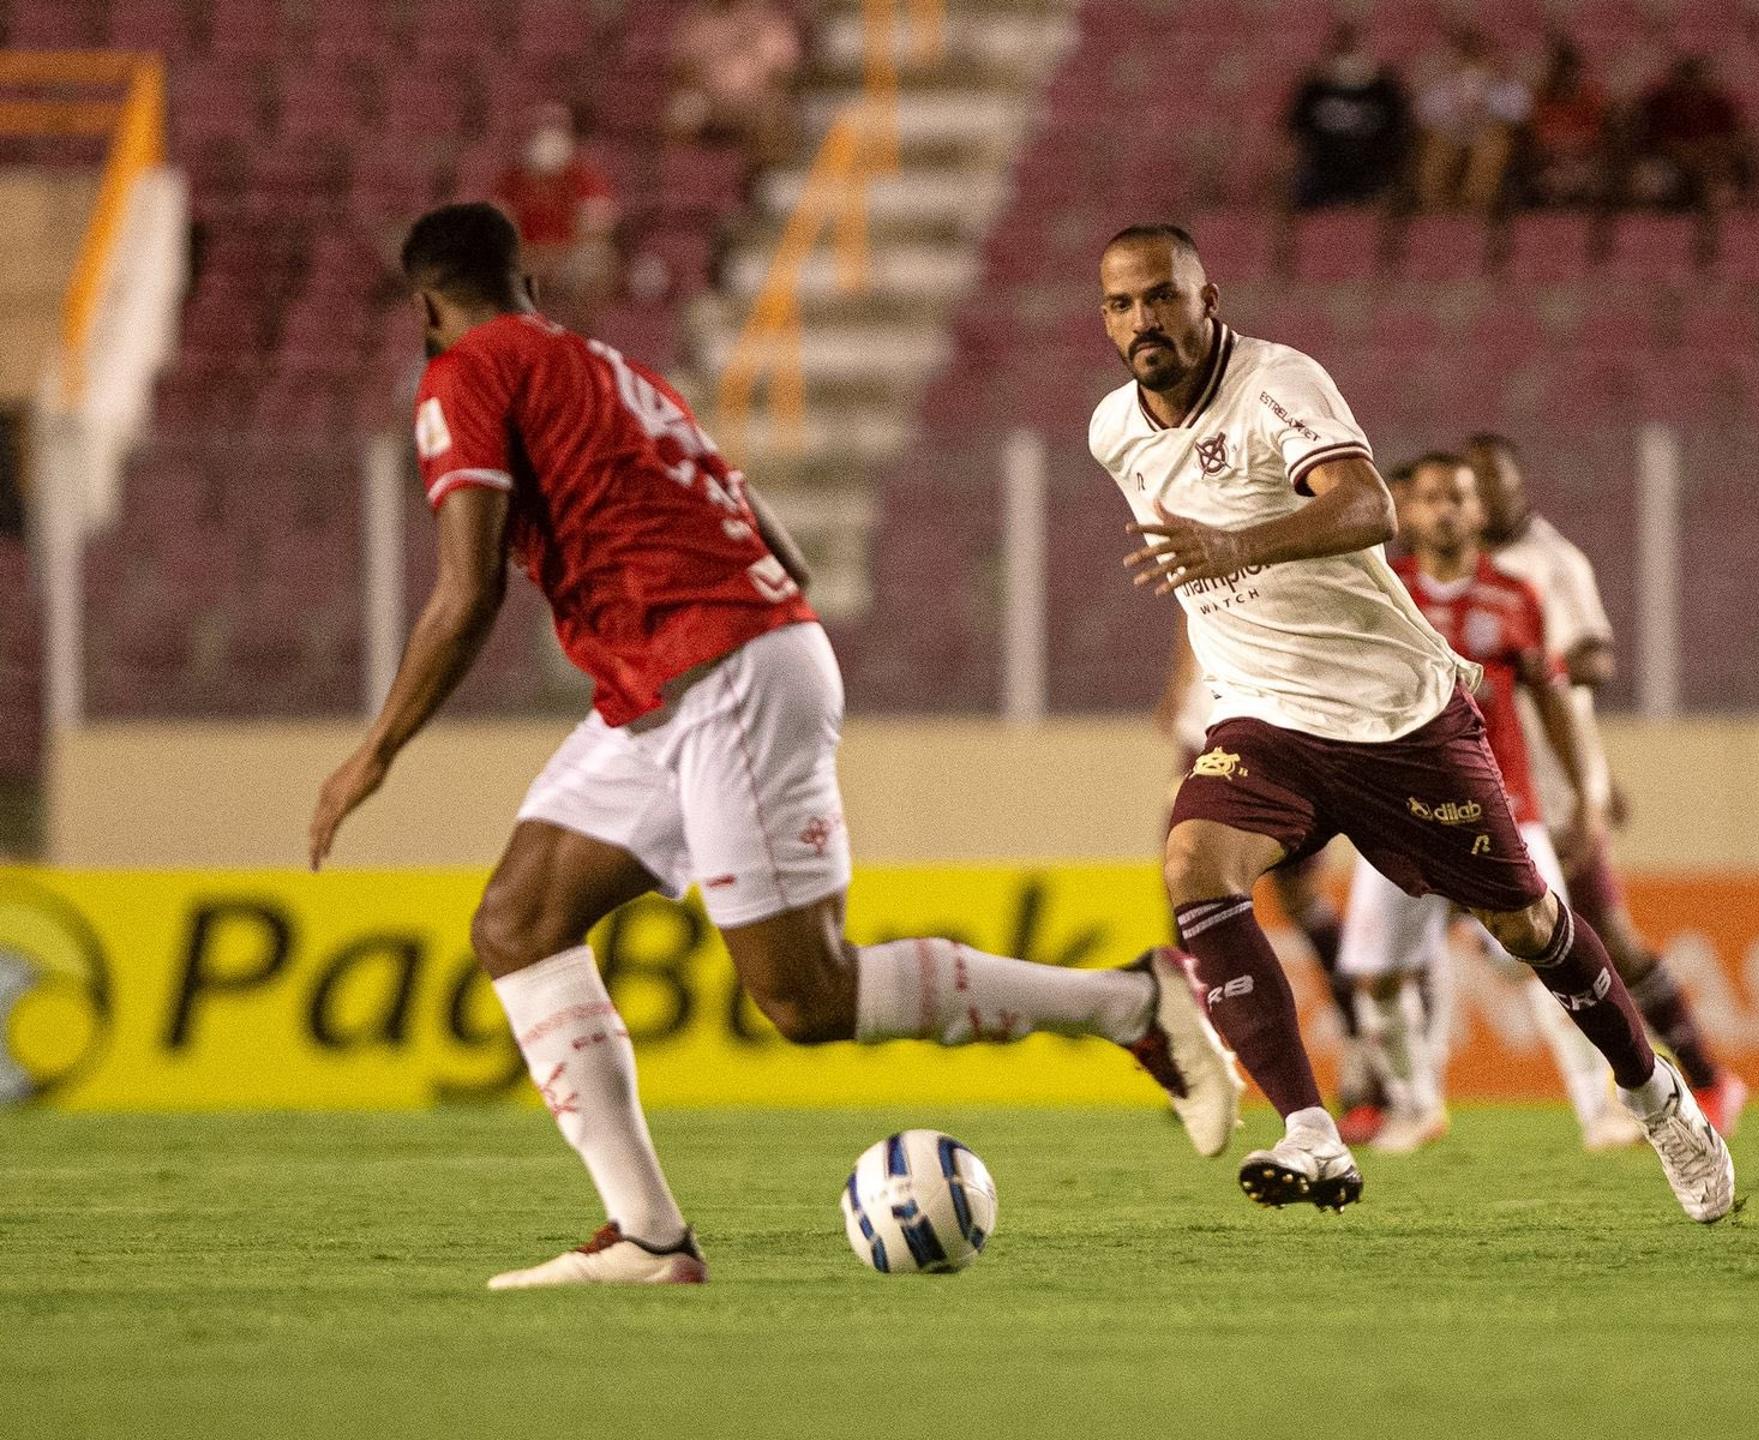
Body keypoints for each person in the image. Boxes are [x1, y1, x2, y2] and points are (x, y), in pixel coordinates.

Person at [307, 203, 1241, 1288]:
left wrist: (373, 751)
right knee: (517, 923)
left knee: (807, 999)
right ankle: (649, 1238)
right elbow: (781, 547)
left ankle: (1135, 1005)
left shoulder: (467, 374)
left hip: (719, 672)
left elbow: (465, 592)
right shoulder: (621, 376)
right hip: (673, 679)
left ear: (425, 306)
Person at [1089, 223, 1733, 1222]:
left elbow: (1367, 508)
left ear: (1207, 297)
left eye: (1162, 297)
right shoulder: (1112, 430)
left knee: (1530, 927)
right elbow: (1200, 581)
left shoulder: (1277, 384)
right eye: (1124, 305)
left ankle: (1657, 1098)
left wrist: (1238, 545)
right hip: (1265, 721)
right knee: (1191, 870)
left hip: (1397, 721)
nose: (1144, 321)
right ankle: (1310, 1133)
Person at [1337, 454, 1639, 1154]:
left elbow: (1553, 701)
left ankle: (1603, 1109)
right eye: (1433, 498)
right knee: (1377, 976)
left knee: (1553, 952)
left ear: (1479, 514)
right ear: (1407, 512)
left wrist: (1587, 794)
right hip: (1400, 812)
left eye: (1459, 498)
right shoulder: (1382, 592)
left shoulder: (1516, 595)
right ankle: (1415, 1105)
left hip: (1504, 810)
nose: (1445, 510)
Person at [1466, 433, 1747, 1135]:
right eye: (1474, 483)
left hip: (1552, 780)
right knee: (1497, 932)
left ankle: (1704, 1078)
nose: (1486, 496)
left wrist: (1592, 772)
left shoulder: (1552, 563)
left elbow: (1592, 658)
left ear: (1517, 485)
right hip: (1478, 768)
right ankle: (1383, 1093)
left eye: (1495, 480)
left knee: (1600, 933)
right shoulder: (1452, 569)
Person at [1155, 625, 1382, 1136]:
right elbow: (1194, 598)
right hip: (1205, 727)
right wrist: (1179, 682)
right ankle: (1199, 1066)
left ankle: (1363, 1055)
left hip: (1275, 722)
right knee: (1186, 891)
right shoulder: (1204, 559)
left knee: (1300, 902)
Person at [491, 103, 619, 323]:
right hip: (528, 255)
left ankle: (580, 333)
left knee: (592, 262)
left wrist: (554, 259)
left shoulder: (586, 177)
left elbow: (595, 232)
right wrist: (534, 258)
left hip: (568, 256)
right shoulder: (510, 180)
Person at [1281, 22, 1412, 210]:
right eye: (1343, 51)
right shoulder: (1314, 89)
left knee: (1393, 197)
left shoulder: (1384, 88)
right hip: (1323, 171)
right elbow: (1293, 130)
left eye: (1353, 50)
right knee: (1289, 190)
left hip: (1372, 171)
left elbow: (1399, 132)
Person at [665, 0, 802, 170]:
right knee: (683, 110)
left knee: (774, 112)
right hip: (709, 99)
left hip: (756, 100)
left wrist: (753, 96)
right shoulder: (700, 21)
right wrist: (715, 95)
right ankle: (683, 176)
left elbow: (782, 72)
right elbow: (684, 67)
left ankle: (760, 179)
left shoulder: (769, 21)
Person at [1412, 27, 1531, 212]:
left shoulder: (1507, 87)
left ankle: (1476, 204)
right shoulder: (1446, 85)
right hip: (1452, 133)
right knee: (1438, 147)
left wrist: (1488, 105)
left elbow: (1520, 113)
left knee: (1493, 147)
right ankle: (1435, 204)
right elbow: (1424, 113)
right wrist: (1455, 109)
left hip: (1488, 134)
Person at [1629, 56, 1753, 213]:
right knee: (1649, 181)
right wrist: (1677, 151)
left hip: (1710, 164)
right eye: (1687, 79)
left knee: (1720, 188)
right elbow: (1643, 140)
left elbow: (1738, 140)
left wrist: (1709, 150)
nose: (1691, 86)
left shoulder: (1720, 105)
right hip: (1666, 165)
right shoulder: (1658, 103)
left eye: (1696, 79)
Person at [1522, 39, 1614, 209]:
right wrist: (1561, 153)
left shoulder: (1590, 96)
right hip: (1550, 164)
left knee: (1591, 180)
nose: (1567, 76)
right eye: (1562, 71)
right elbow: (1538, 137)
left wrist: (1574, 153)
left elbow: (1596, 135)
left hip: (1582, 162)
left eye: (1572, 71)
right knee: (1551, 182)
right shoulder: (1542, 98)